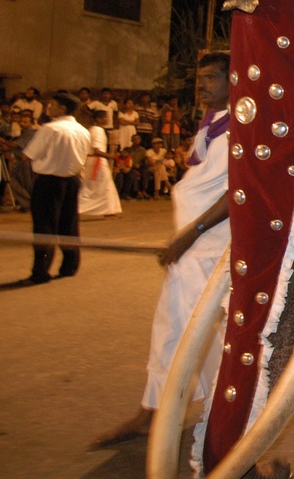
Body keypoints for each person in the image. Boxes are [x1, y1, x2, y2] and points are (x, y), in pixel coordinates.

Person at [92, 52, 233, 447]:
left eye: (210, 78)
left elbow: (235, 194)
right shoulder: (212, 123)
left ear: (234, 79)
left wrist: (189, 234)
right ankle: (159, 414)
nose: (201, 85)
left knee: (190, 335)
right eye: (199, 79)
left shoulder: (240, 127)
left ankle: (211, 422)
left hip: (206, 252)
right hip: (193, 251)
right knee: (179, 332)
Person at [19, 91, 91, 284]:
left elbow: (29, 155)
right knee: (69, 224)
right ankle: (70, 266)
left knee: (44, 227)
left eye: (52, 105)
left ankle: (41, 271)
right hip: (72, 180)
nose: (48, 108)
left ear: (63, 108)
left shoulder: (51, 129)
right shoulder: (83, 131)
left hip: (49, 181)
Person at [78, 108, 122, 217]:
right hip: (97, 161)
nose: (107, 119)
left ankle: (109, 211)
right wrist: (110, 156)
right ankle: (79, 208)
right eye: (105, 117)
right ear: (99, 119)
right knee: (102, 186)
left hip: (94, 160)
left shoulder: (94, 129)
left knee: (99, 186)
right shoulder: (97, 130)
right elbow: (97, 150)